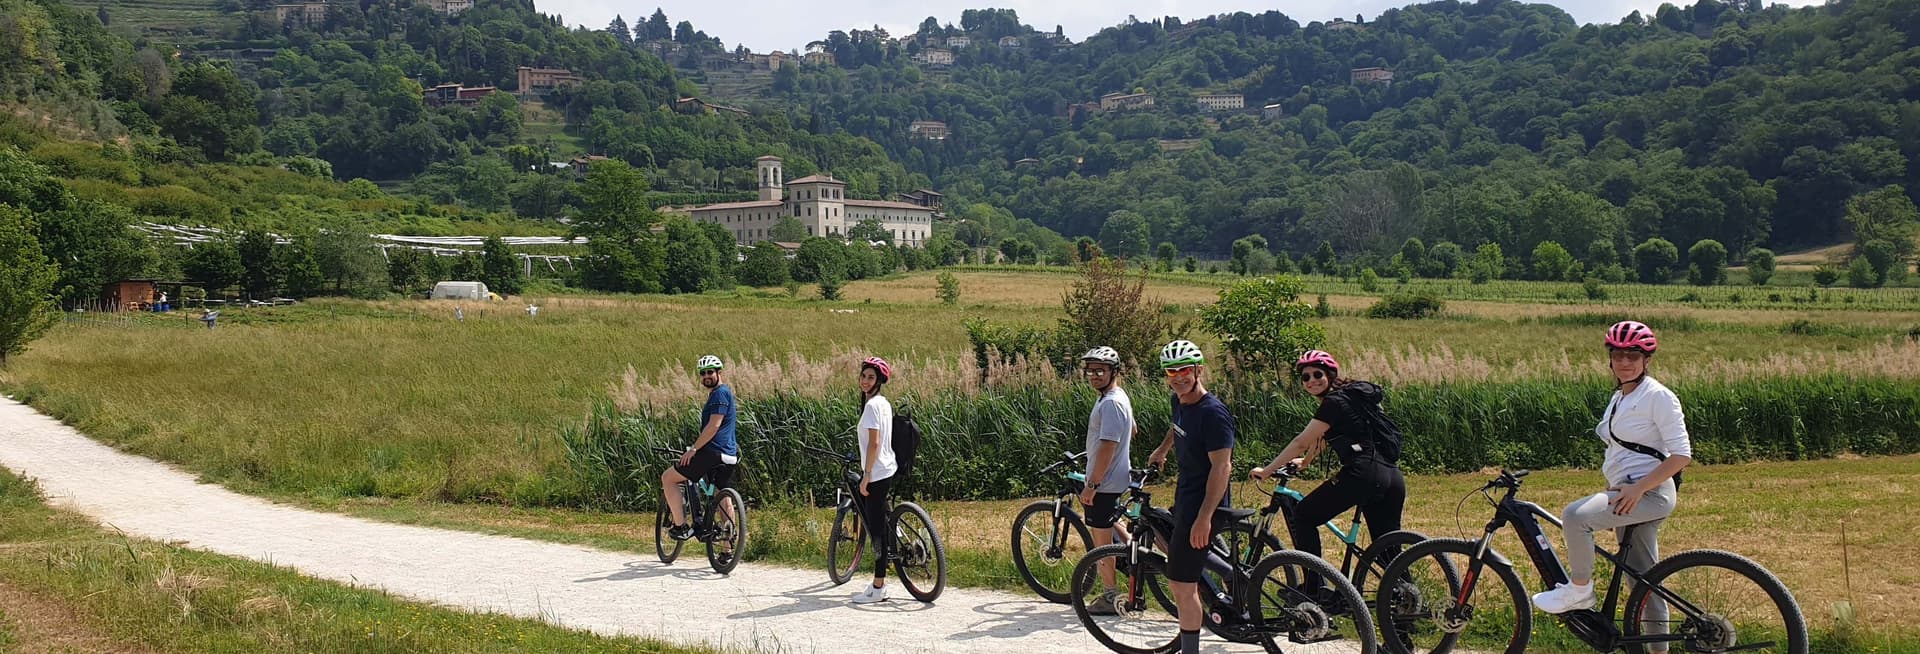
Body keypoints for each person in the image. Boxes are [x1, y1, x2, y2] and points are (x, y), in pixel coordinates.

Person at [1532, 321, 1690, 652]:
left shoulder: (1658, 397)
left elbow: (1681, 456)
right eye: (1618, 355)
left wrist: (1636, 490)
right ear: (1610, 360)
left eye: (1633, 355)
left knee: (1575, 516)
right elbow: (1620, 453)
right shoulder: (1621, 396)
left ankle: (1580, 590)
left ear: (1647, 360)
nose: (1624, 362)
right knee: (1643, 581)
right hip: (1627, 493)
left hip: (1648, 493)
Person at [1250, 349, 1406, 603]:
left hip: (1362, 473)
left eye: (1317, 374)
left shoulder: (1333, 403)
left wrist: (1267, 471)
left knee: (1304, 515)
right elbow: (1328, 435)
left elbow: (1302, 440)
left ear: (1331, 374)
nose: (1311, 380)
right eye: (1305, 377)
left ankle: (1312, 589)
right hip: (1391, 475)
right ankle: (1404, 610)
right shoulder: (1354, 397)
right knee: (1388, 550)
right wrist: (1306, 462)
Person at [1145, 340, 1234, 654]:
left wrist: (1204, 518)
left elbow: (1222, 468)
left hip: (1206, 503)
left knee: (1182, 584)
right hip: (1186, 495)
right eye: (1172, 371)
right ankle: (1229, 574)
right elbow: (1177, 424)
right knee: (1176, 549)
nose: (1179, 376)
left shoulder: (1214, 414)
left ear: (1198, 369)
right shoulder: (1179, 400)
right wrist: (1162, 448)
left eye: (1185, 369)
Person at [1077, 346, 1135, 615]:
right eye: (1090, 370)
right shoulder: (1116, 396)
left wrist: (1092, 485)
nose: (1094, 375)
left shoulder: (1110, 402)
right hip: (1117, 478)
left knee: (1102, 544)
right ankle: (1136, 560)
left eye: (1100, 370)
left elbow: (1108, 445)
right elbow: (1132, 430)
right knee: (1114, 525)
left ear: (1114, 371)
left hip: (1105, 483)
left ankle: (1111, 596)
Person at [662, 355, 739, 542]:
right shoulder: (724, 393)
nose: (706, 376)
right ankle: (727, 551)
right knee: (722, 495)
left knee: (668, 478)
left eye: (710, 372)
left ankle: (681, 527)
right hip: (729, 454)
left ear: (719, 373)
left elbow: (713, 426)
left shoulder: (719, 394)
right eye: (703, 373)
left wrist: (694, 449)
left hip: (712, 453)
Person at [850, 356, 899, 604]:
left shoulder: (871, 407)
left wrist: (866, 475)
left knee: (876, 532)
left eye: (871, 377)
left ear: (879, 380)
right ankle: (896, 533)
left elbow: (875, 443)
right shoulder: (883, 403)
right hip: (888, 467)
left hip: (877, 473)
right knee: (882, 520)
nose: (865, 381)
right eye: (863, 376)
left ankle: (879, 586)